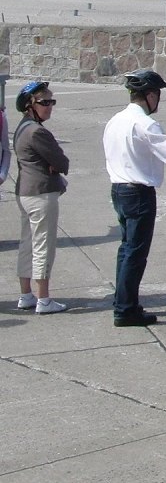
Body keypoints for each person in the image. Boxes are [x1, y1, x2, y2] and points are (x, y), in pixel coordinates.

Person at [103, 69, 166, 327]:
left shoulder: (115, 120)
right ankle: (126, 309)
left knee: (126, 249)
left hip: (119, 188)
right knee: (135, 253)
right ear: (150, 95)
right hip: (138, 192)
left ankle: (123, 301)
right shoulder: (146, 123)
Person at [13, 81, 70, 314]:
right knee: (43, 246)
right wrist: (55, 166)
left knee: (27, 244)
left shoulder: (22, 127)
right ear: (30, 105)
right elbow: (62, 162)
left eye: (52, 101)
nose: (50, 106)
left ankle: (26, 295)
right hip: (41, 193)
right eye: (45, 102)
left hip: (25, 192)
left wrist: (53, 165)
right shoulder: (38, 132)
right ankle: (44, 299)